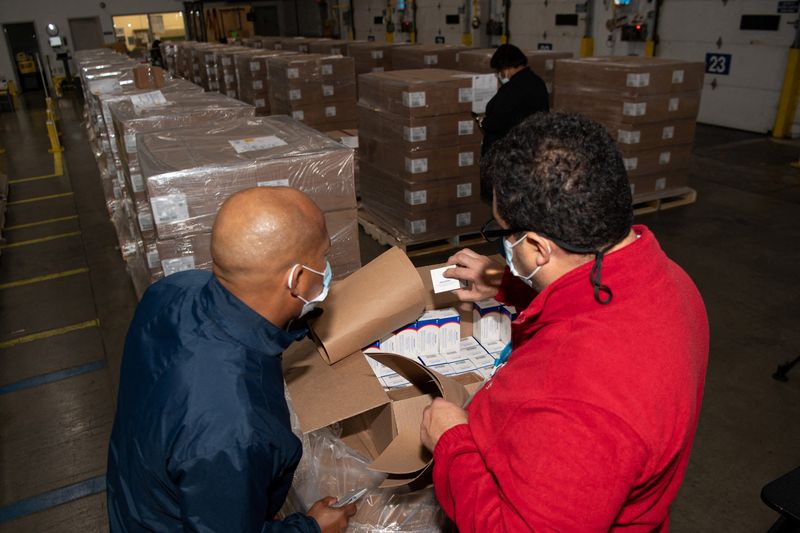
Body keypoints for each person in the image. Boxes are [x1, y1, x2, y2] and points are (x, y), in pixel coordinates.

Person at [421, 112, 709, 531]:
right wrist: (508, 282)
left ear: (537, 247)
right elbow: (584, 294)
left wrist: (452, 443)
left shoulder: (578, 401)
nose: (504, 245)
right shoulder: (672, 281)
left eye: (503, 233)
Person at [107, 187, 356, 532]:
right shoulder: (235, 429)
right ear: (297, 278)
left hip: (138, 496)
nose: (327, 268)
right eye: (324, 257)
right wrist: (311, 528)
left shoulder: (173, 290)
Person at [479, 44, 550, 200]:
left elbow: (496, 123)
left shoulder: (512, 89)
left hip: (509, 157)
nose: (500, 74)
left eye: (499, 70)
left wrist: (483, 121)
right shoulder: (538, 83)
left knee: (503, 201)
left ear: (506, 66)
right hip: (532, 154)